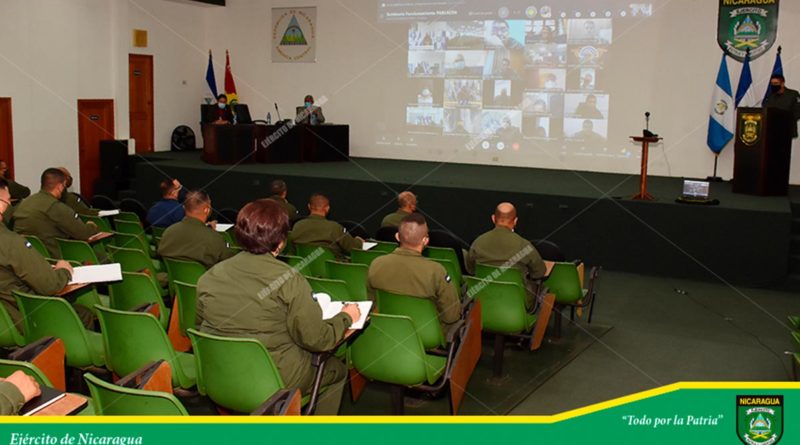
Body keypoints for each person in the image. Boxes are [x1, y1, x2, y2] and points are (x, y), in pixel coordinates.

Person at [196, 199, 359, 415]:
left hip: (219, 374)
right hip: (276, 380)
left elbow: (199, 327)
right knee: (336, 371)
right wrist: (346, 317)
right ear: (281, 241)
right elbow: (317, 340)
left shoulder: (209, 276)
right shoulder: (289, 280)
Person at [367, 214, 461, 336]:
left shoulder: (376, 264)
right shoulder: (436, 271)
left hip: (387, 333)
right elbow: (451, 316)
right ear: (425, 240)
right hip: (428, 337)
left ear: (397, 236)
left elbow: (371, 304)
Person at [0, 178, 74, 327]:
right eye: (7, 201)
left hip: (6, 320)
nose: (8, 206)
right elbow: (50, 285)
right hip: (25, 320)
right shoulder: (11, 242)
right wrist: (64, 270)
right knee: (82, 314)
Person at [466, 202, 546, 309]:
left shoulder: (478, 242)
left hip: (482, 301)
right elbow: (539, 272)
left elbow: (471, 270)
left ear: (493, 218)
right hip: (517, 304)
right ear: (515, 221)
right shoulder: (524, 245)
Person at [12, 168, 99, 258]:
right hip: (54, 259)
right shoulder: (55, 207)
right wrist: (92, 226)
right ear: (60, 186)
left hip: (26, 256)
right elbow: (82, 233)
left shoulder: (24, 204)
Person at [157, 190, 235, 270]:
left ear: (184, 208)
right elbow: (229, 262)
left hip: (172, 280)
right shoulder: (216, 239)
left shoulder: (168, 232)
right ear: (207, 210)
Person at [289, 194, 364, 259]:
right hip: (333, 273)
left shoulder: (297, 226)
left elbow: (292, 251)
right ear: (327, 208)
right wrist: (359, 241)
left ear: (309, 206)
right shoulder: (335, 228)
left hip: (303, 271)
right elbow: (353, 249)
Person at [762, 74, 800, 138]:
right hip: (771, 130)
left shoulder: (793, 94)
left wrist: (785, 120)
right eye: (772, 83)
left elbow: (798, 112)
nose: (774, 85)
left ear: (782, 83)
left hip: (786, 130)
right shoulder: (770, 96)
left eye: (776, 83)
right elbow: (765, 109)